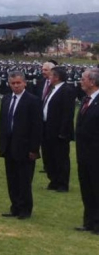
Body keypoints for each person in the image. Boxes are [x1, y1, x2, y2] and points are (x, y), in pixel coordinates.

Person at [0, 71, 43, 220]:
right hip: (9, 144)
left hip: (25, 146)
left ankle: (25, 208)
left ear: (24, 83)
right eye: (13, 83)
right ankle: (15, 207)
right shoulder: (6, 99)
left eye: (18, 83)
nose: (16, 86)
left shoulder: (33, 100)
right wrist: (1, 144)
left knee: (24, 179)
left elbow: (37, 127)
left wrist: (34, 149)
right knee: (11, 178)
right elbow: (3, 123)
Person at [41, 66, 75, 192]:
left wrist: (63, 131)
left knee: (60, 157)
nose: (48, 77)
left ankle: (62, 183)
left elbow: (68, 113)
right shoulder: (51, 89)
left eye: (50, 75)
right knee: (48, 156)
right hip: (46, 128)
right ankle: (53, 180)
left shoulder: (67, 90)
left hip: (58, 131)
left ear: (57, 77)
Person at [75, 68, 99, 234]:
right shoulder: (86, 99)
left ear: (92, 81)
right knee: (87, 188)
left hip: (96, 153)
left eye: (83, 79)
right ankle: (89, 221)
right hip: (83, 153)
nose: (80, 81)